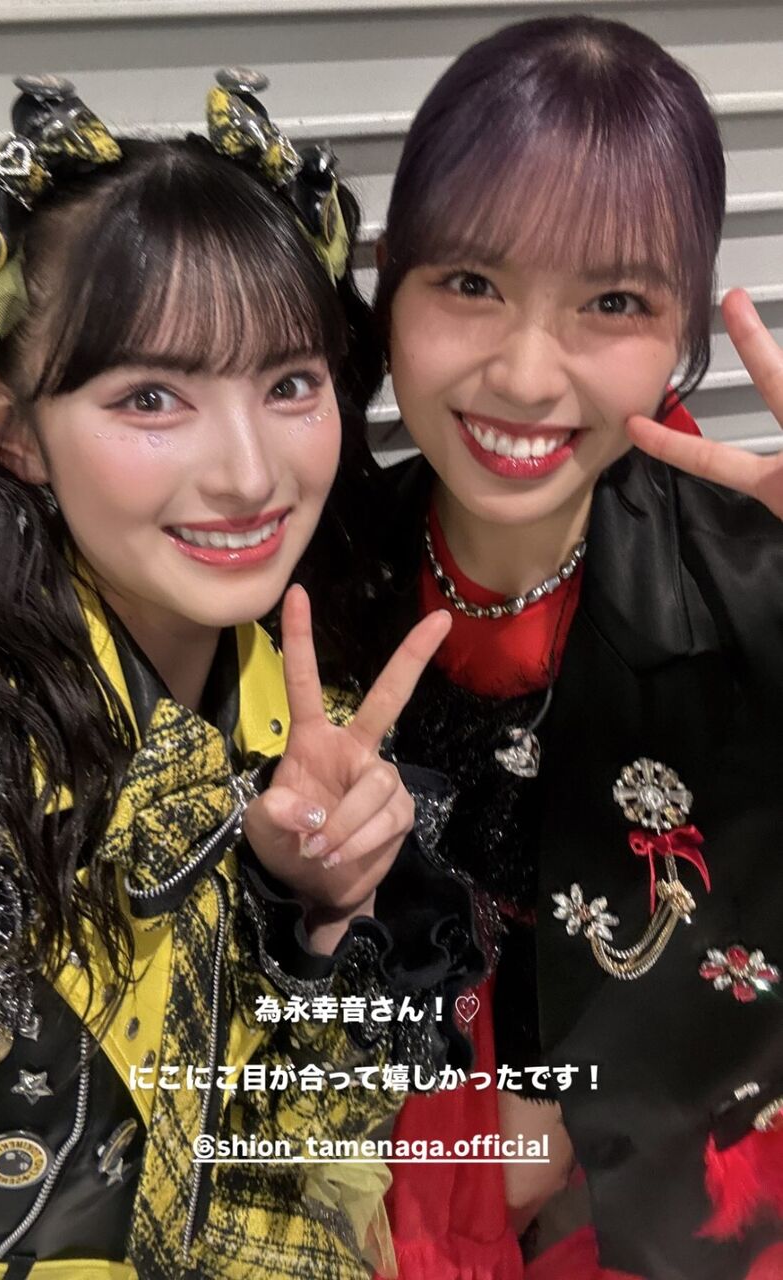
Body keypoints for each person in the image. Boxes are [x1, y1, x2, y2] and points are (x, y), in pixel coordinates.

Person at [0, 73, 483, 1278]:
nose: (248, 474)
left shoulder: (318, 723)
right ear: (9, 427)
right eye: (151, 396)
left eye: (290, 384)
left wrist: (324, 911)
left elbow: (310, 1163)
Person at [317, 16, 783, 1280]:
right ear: (390, 287)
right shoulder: (309, 560)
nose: (525, 376)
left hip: (679, 1198)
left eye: (612, 301)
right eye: (470, 282)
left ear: (679, 332)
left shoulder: (756, 578)